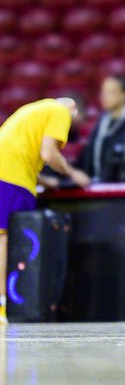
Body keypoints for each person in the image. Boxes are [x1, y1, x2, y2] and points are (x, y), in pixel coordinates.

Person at [0, 95, 91, 324]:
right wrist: (73, 173)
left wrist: (51, 183)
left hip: (6, 174)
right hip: (10, 181)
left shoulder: (31, 109)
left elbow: (24, 154)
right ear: (74, 109)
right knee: (4, 243)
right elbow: (49, 154)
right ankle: (2, 307)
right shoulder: (61, 111)